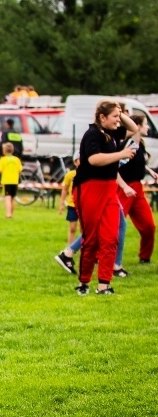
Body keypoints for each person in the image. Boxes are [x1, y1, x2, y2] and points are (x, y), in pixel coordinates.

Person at [72, 100, 138, 295]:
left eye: (119, 117)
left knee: (111, 238)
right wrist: (121, 154)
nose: (119, 121)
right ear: (102, 118)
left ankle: (104, 284)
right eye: (115, 117)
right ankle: (84, 282)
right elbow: (93, 159)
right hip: (89, 188)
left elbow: (133, 128)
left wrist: (118, 110)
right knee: (91, 239)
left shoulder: (113, 132)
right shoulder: (92, 134)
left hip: (109, 189)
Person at [117, 115, 157, 266]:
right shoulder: (129, 145)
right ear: (138, 126)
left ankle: (144, 257)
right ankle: (98, 256)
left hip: (137, 189)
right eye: (146, 124)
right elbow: (116, 167)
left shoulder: (139, 144)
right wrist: (124, 186)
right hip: (125, 188)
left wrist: (149, 170)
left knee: (149, 226)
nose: (148, 128)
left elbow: (137, 160)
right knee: (114, 224)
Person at [55, 152, 81, 274]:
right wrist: (61, 204)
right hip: (72, 205)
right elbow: (65, 189)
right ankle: (69, 248)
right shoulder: (70, 175)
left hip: (83, 206)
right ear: (75, 162)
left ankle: (80, 249)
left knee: (84, 229)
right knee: (72, 228)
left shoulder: (87, 175)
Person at [0, 142, 22, 219]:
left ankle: (8, 214)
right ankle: (12, 214)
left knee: (7, 198)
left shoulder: (3, 160)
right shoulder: (16, 159)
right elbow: (20, 170)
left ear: (4, 151)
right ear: (12, 150)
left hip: (6, 181)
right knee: (13, 198)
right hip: (15, 181)